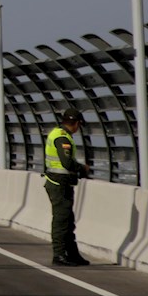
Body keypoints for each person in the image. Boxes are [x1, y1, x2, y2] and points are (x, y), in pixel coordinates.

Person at [44, 108, 94, 266]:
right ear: (77, 123)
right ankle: (59, 255)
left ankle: (72, 254)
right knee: (61, 220)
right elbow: (66, 163)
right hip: (59, 184)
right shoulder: (62, 138)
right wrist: (82, 168)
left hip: (60, 183)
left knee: (67, 220)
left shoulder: (57, 134)